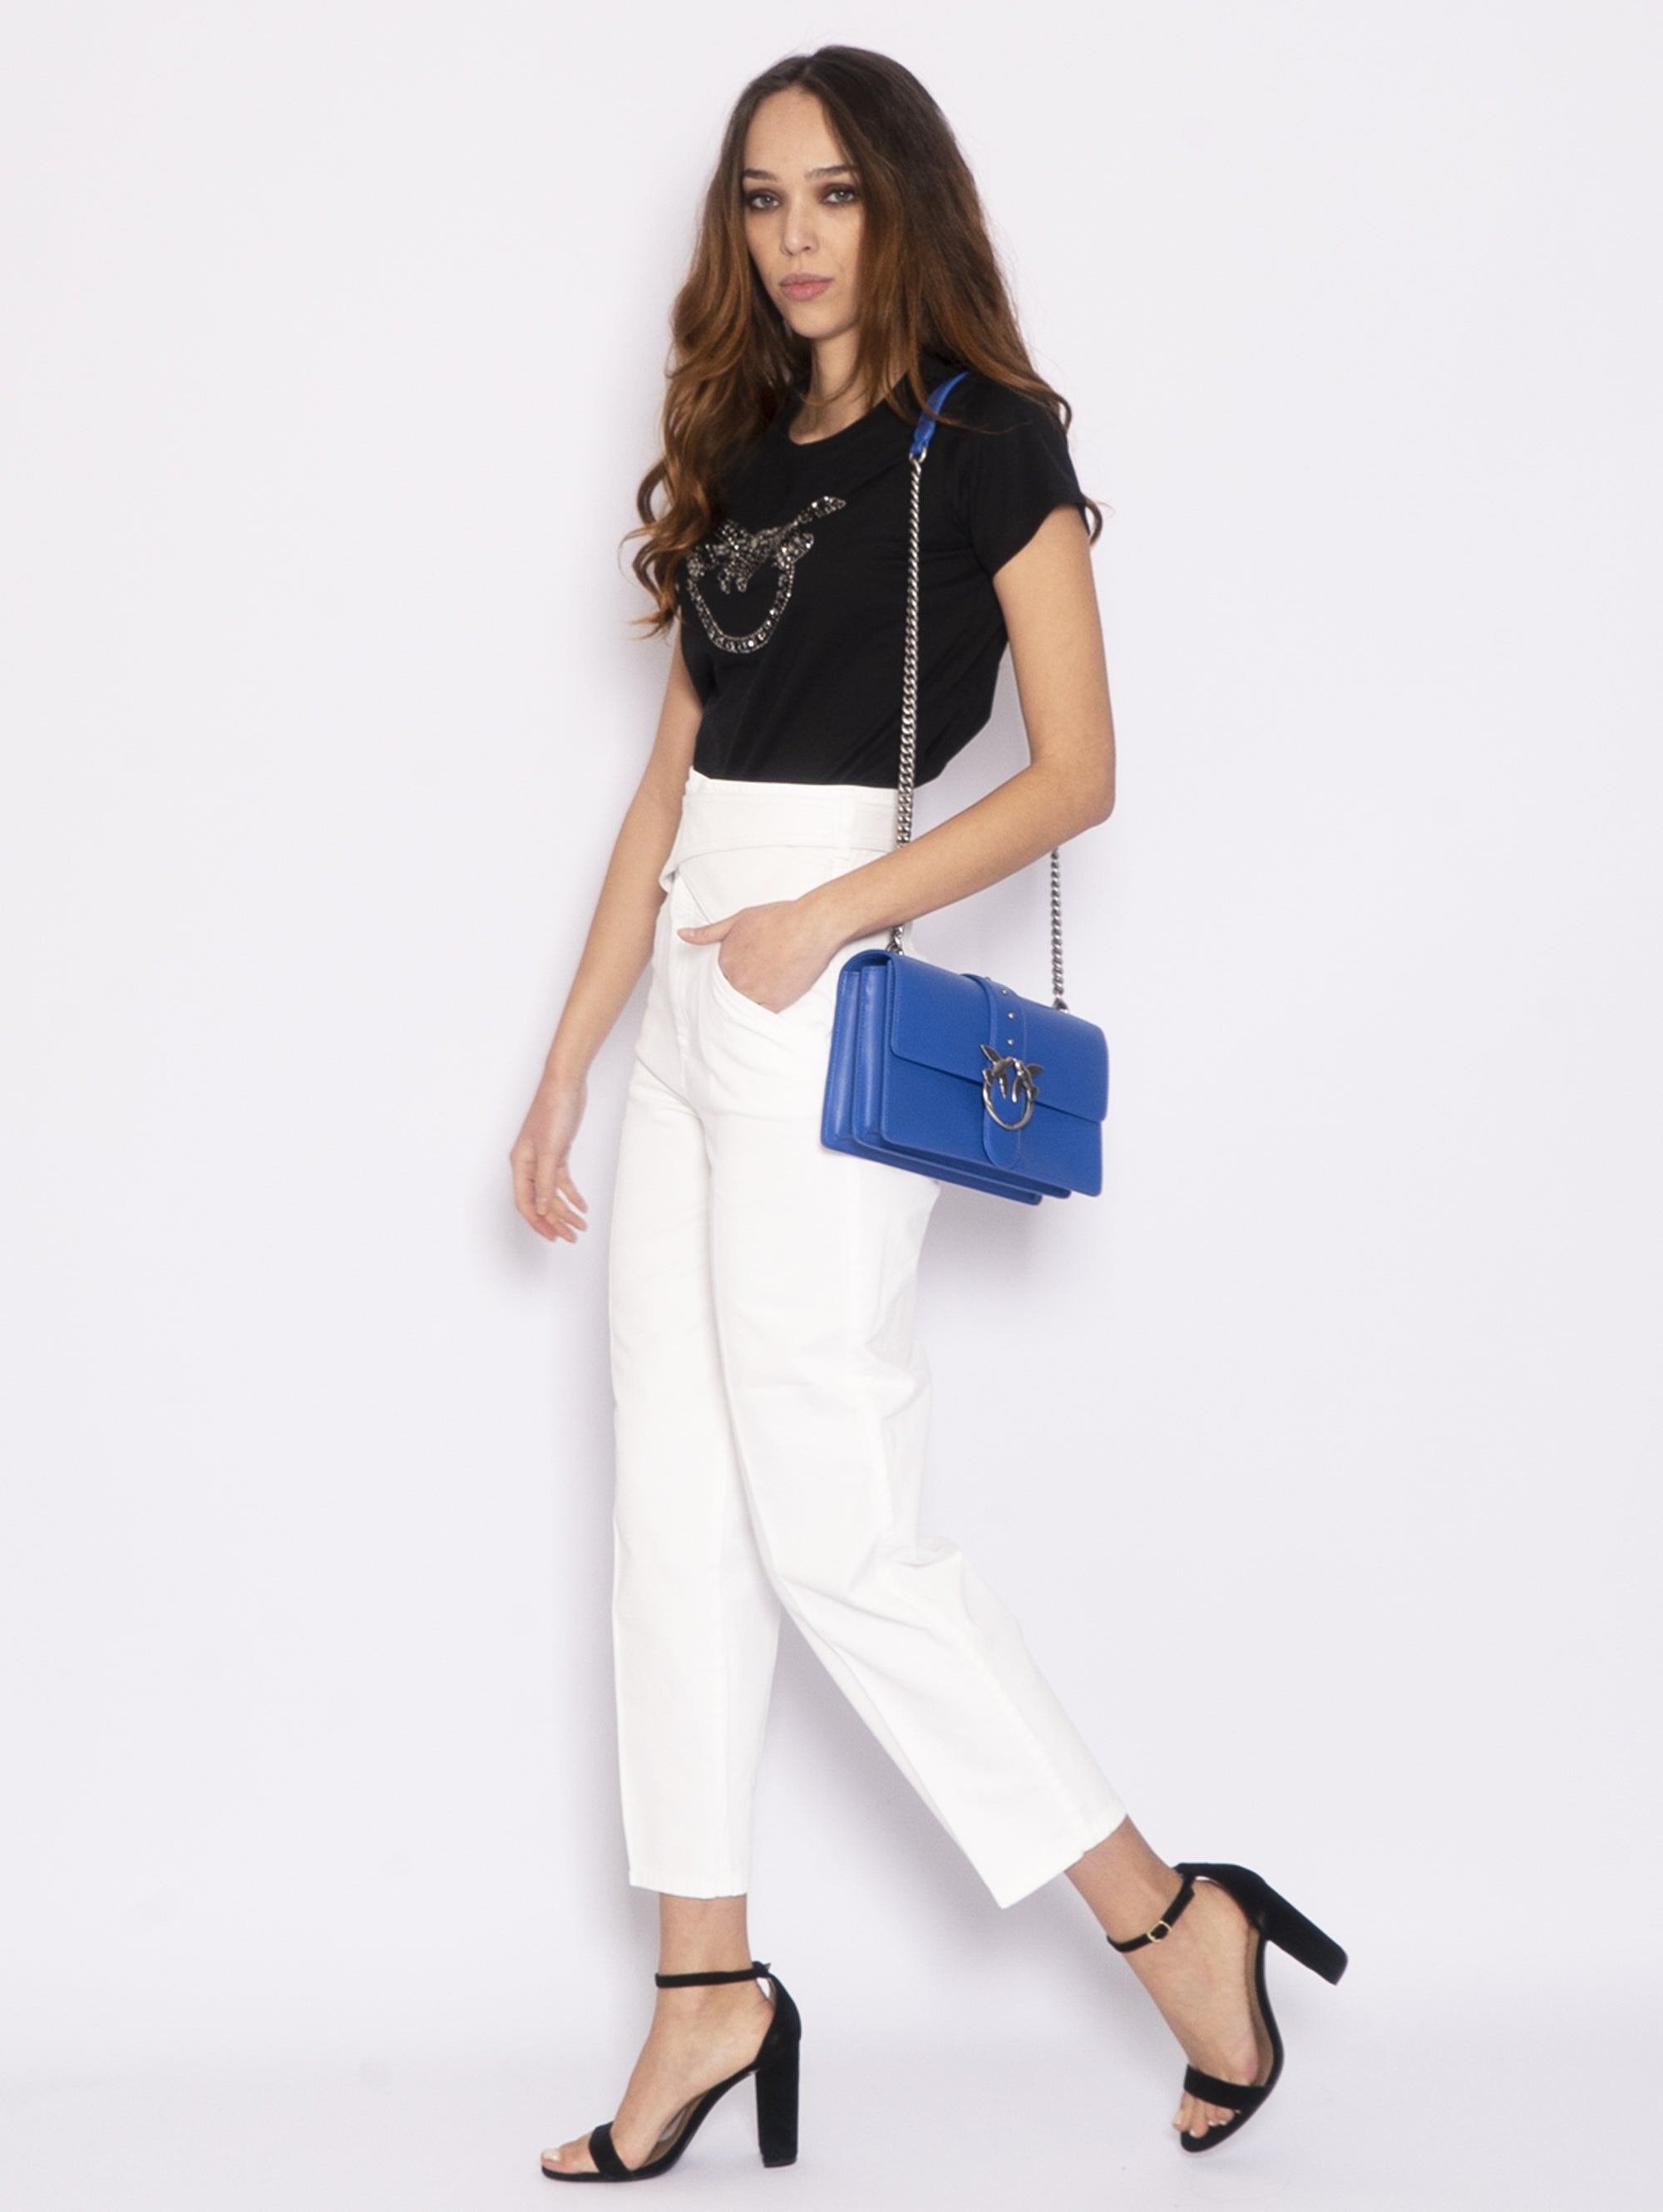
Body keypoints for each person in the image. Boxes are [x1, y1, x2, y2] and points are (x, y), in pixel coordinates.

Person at [511, 45, 1345, 2186]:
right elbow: (663, 792)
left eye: (835, 194)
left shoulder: (990, 441)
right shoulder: (736, 444)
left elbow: (1080, 769)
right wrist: (570, 1059)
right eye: (762, 197)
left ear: (904, 206)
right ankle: (704, 1983)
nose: (796, 236)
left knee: (839, 1534)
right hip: (688, 993)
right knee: (674, 1513)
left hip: (817, 979)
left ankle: (1172, 1923)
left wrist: (826, 921)